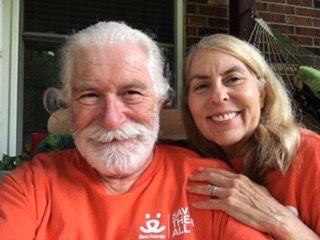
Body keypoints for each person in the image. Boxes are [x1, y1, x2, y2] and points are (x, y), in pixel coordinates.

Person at [0, 22, 271, 239]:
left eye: (131, 93)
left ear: (161, 101)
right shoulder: (31, 187)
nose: (112, 120)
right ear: (69, 107)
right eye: (90, 96)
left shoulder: (213, 184)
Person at [183, 33, 320, 240]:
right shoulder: (189, 168)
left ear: (262, 93)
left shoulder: (311, 155)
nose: (218, 96)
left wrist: (279, 219)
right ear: (189, 105)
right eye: (202, 86)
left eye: (234, 79)